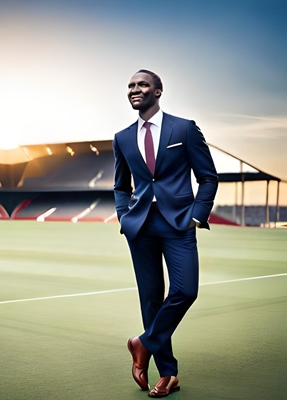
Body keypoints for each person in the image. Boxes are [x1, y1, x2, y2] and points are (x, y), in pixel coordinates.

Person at [113, 70, 218, 398]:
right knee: (151, 300)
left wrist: (197, 217)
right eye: (130, 86)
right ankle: (168, 374)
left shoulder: (183, 128)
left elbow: (208, 177)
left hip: (179, 225)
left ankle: (141, 344)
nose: (135, 90)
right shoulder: (122, 137)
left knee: (186, 291)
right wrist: (124, 217)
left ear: (158, 91)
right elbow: (120, 185)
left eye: (142, 85)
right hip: (140, 227)